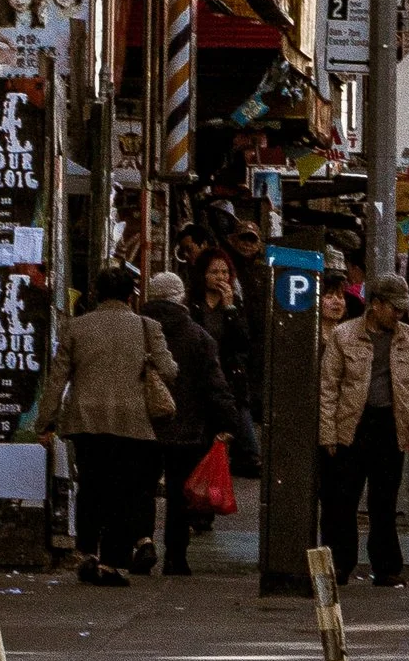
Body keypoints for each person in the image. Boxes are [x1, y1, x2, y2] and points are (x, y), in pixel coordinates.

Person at [36, 267, 177, 586]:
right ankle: (113, 562)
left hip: (86, 420)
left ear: (96, 293)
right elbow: (169, 371)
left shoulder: (75, 327)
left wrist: (45, 422)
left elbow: (57, 379)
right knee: (124, 490)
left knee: (91, 486)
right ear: (131, 295)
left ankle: (88, 553)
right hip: (132, 421)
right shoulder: (147, 327)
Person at [318, 273, 409, 589]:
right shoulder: (344, 335)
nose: (399, 314)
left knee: (384, 501)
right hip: (352, 425)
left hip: (390, 426)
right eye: (394, 308)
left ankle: (386, 567)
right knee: (343, 500)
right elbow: (329, 387)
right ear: (376, 304)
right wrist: (328, 433)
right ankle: (340, 565)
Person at [141, 270, 242, 577]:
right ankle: (175, 556)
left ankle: (141, 544)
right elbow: (215, 385)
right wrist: (230, 422)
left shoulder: (137, 331)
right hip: (185, 427)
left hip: (141, 425)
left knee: (140, 490)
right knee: (178, 494)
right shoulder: (199, 336)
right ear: (180, 297)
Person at [196, 250, 262, 477]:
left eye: (224, 272)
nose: (221, 277)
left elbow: (243, 341)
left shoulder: (235, 303)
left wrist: (230, 308)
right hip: (202, 374)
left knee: (241, 431)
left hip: (229, 375)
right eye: (214, 272)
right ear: (203, 275)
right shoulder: (193, 304)